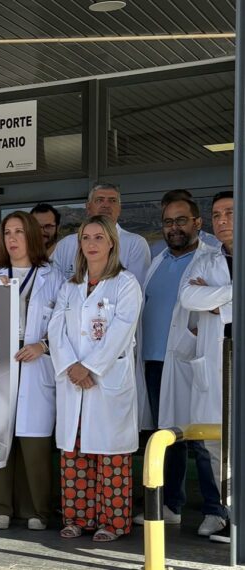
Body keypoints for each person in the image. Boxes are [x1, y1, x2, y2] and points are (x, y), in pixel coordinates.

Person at [131, 196, 225, 536]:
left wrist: (212, 303)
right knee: (166, 437)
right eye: (169, 221)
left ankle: (216, 511)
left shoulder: (209, 259)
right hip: (155, 362)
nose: (174, 227)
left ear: (198, 223)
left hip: (191, 361)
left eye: (181, 220)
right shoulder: (157, 260)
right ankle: (170, 506)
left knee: (202, 440)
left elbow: (210, 301)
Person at [48, 215, 142, 542]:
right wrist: (71, 364)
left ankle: (112, 523)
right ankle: (77, 518)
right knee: (75, 453)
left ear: (112, 242)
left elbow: (122, 329)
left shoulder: (126, 283)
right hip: (74, 380)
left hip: (105, 379)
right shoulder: (71, 285)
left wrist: (89, 366)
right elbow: (55, 328)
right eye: (86, 238)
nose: (91, 244)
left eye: (99, 237)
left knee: (110, 454)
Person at [0, 213, 62, 530]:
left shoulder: (54, 276)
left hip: (36, 360)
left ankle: (35, 509)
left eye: (19, 232)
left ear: (33, 236)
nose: (11, 239)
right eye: (7, 232)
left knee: (33, 436)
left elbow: (65, 323)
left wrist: (44, 346)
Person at [179, 190, 234, 543]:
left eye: (230, 212)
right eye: (216, 214)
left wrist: (217, 302)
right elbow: (188, 297)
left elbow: (205, 300)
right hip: (214, 368)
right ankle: (224, 515)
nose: (222, 220)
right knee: (213, 449)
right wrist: (233, 293)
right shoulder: (204, 260)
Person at [51, 182, 151, 285]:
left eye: (112, 201)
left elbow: (138, 290)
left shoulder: (135, 244)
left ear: (119, 209)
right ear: (88, 207)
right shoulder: (65, 245)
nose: (106, 205)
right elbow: (54, 288)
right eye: (99, 200)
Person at [148, 190, 220, 258]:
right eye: (168, 219)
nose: (174, 227)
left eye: (181, 219)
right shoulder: (156, 250)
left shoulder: (216, 245)